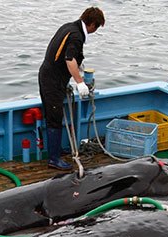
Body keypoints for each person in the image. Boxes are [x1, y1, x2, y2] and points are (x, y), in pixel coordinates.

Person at [38, 7, 105, 170]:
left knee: (57, 115)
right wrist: (80, 82)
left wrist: (78, 66)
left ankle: (57, 150)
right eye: (96, 28)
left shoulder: (68, 26)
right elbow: (69, 59)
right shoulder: (76, 36)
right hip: (51, 81)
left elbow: (62, 54)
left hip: (53, 77)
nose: (94, 32)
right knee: (54, 117)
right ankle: (53, 158)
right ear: (92, 24)